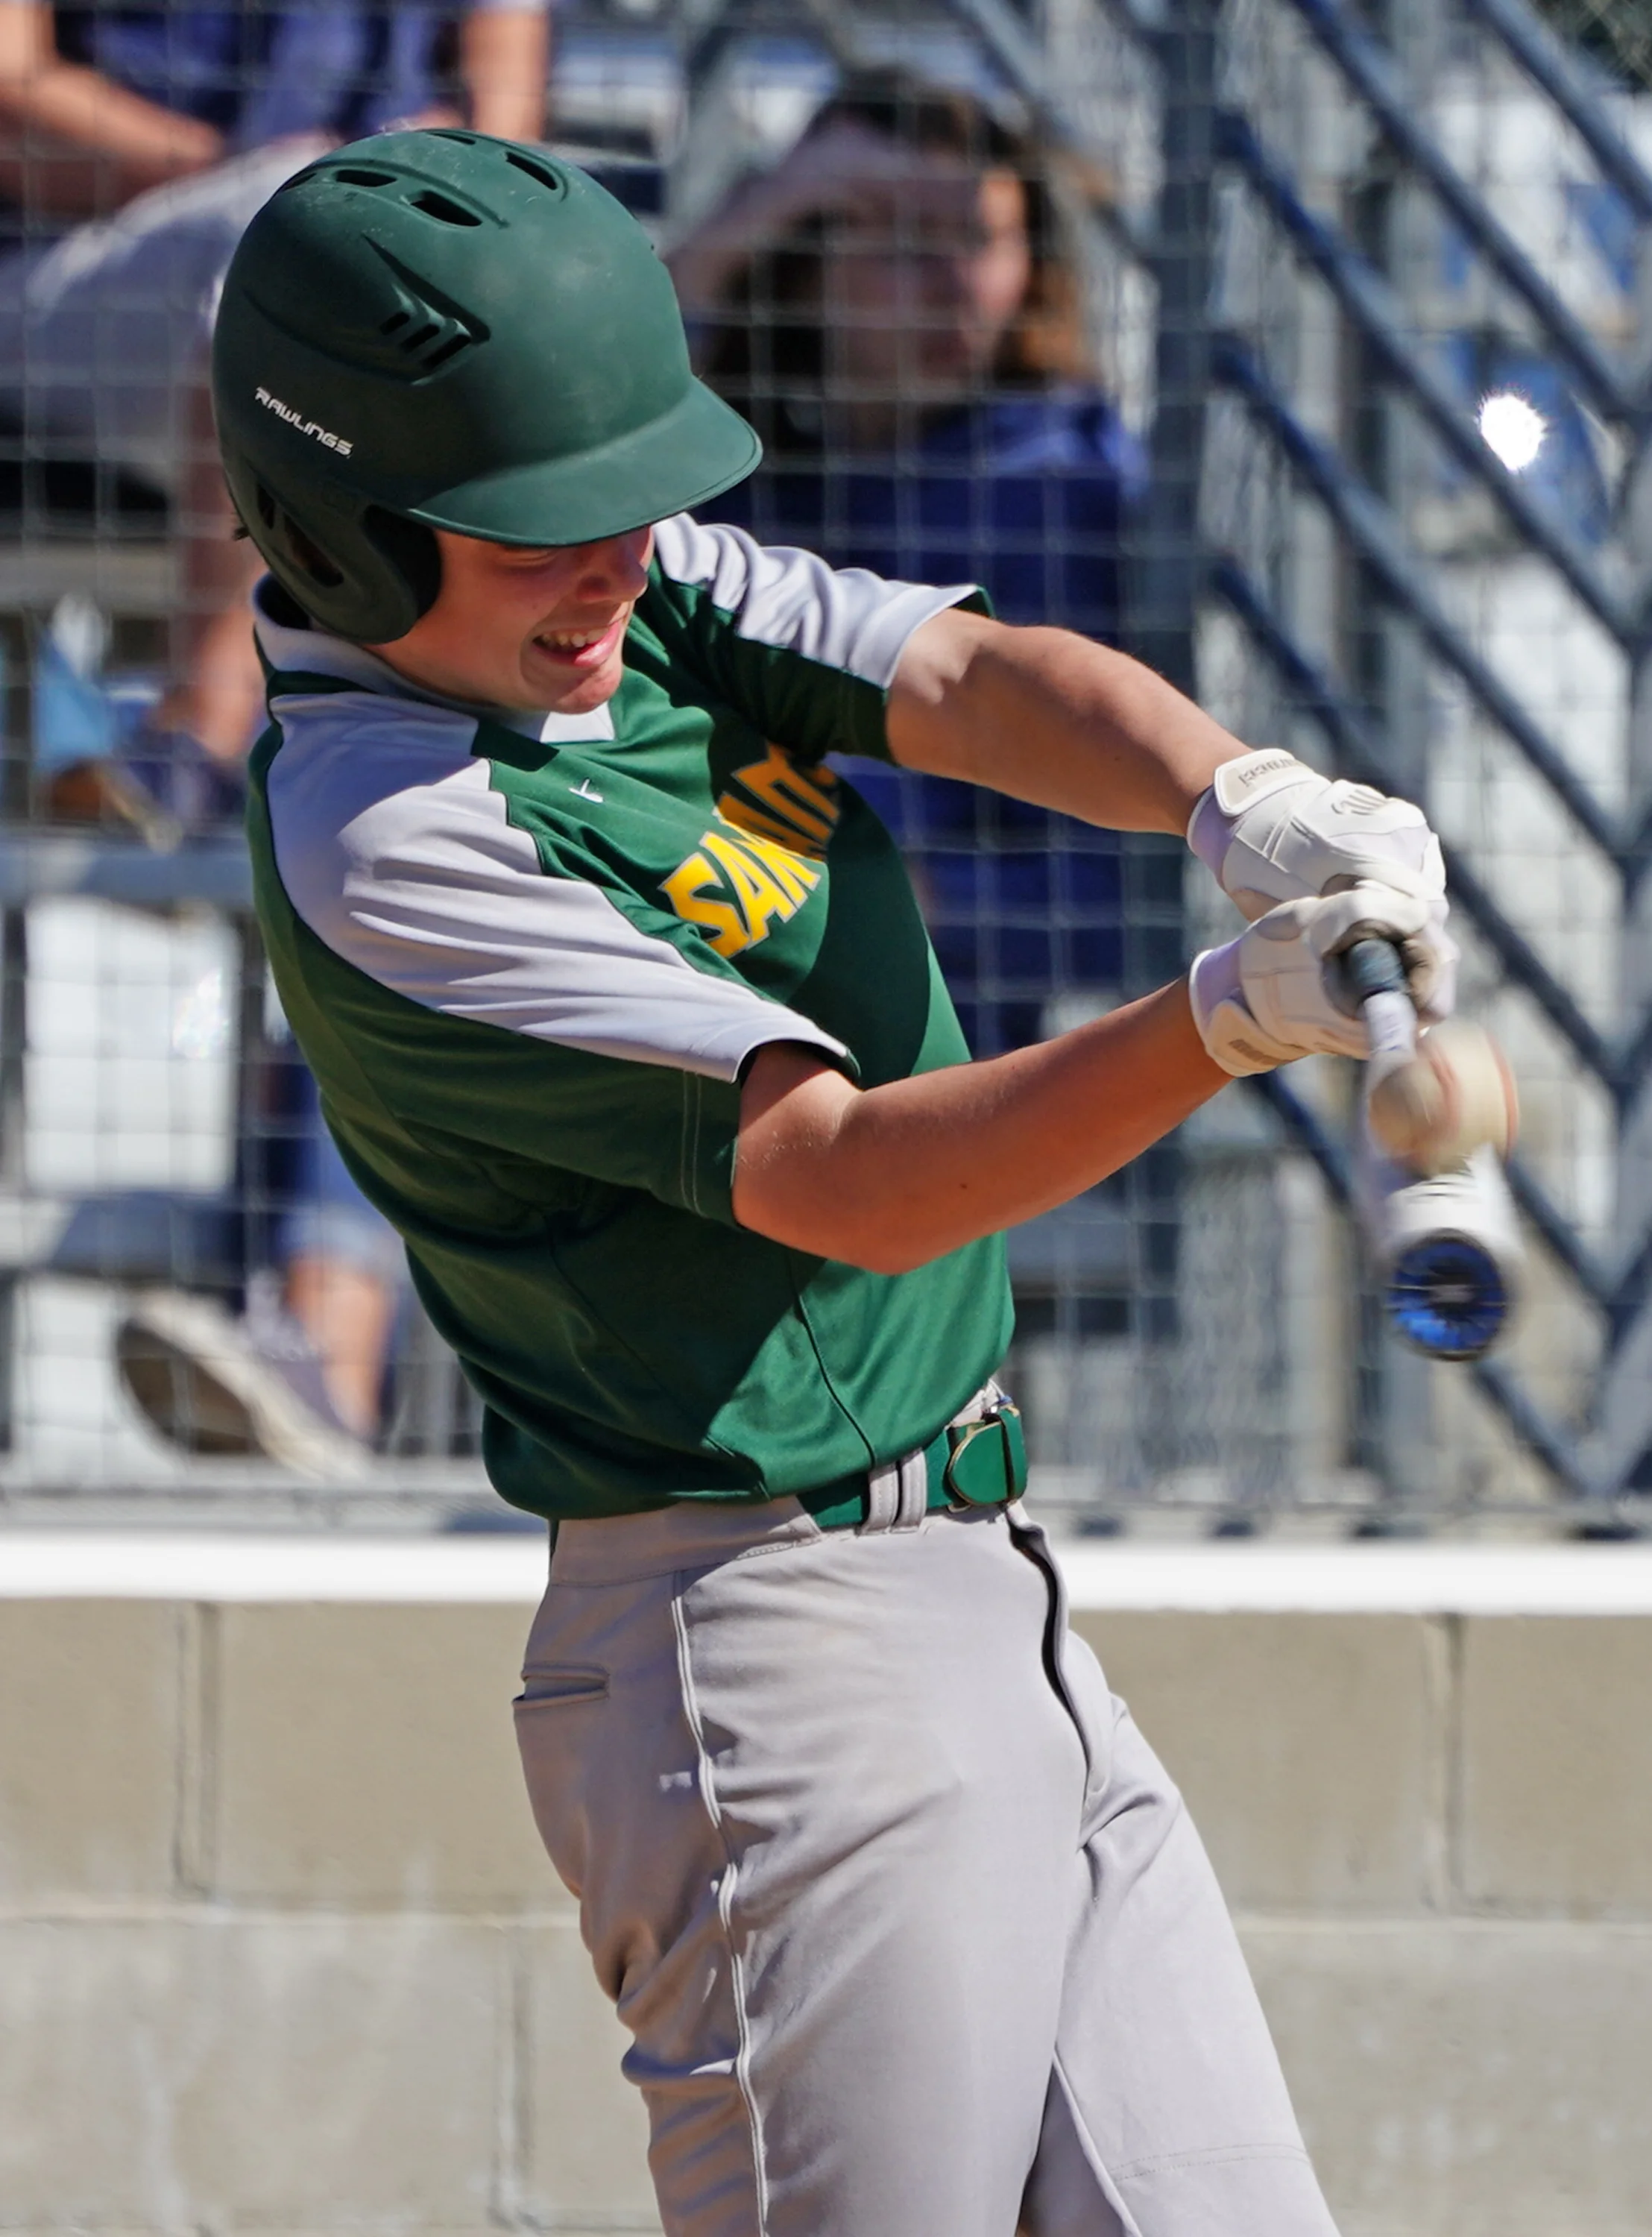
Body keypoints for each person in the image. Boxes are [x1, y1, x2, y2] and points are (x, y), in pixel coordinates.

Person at [211, 129, 1452, 2235]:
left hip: (990, 1590)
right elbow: (845, 1178)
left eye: (624, 506)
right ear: (346, 530)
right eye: (536, 534)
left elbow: (962, 682)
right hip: (765, 1649)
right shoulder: (390, 826)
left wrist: (1239, 799)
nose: (613, 559)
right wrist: (1224, 1021)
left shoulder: (627, 594)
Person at [0, 3, 549, 1467]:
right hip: (109, 282)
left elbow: (512, 150)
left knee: (402, 803)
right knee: (286, 255)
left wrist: (372, 199)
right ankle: (198, 715)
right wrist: (304, 189)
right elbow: (11, 102)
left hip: (382, 381)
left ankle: (321, 1351)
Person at [675, 71, 1150, 1053]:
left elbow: (1130, 893)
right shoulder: (740, 477)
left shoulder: (1068, 485)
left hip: (945, 1075)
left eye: (979, 240)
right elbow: (553, 426)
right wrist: (767, 204)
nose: (950, 287)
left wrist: (896, 899)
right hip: (695, 1049)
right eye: (899, 243)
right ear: (799, 263)